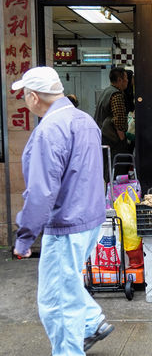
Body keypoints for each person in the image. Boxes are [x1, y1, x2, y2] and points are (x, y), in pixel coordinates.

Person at [11, 66, 114, 355]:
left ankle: (70, 349)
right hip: (90, 218)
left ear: (34, 98)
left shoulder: (49, 130)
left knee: (56, 301)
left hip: (66, 224)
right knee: (66, 283)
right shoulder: (84, 121)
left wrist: (24, 237)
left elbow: (41, 192)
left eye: (24, 95)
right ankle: (91, 322)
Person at [94, 67, 130, 178]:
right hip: (112, 139)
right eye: (126, 78)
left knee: (107, 168)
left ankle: (108, 192)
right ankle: (116, 193)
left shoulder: (106, 91)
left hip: (102, 136)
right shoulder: (116, 94)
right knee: (118, 169)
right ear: (120, 80)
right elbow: (118, 120)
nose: (127, 81)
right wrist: (122, 140)